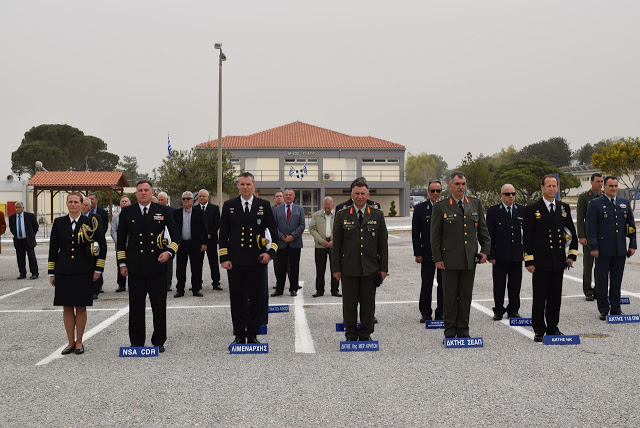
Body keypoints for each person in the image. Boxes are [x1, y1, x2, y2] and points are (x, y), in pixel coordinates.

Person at [117, 181, 180, 352]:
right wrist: (122, 263)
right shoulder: (127, 212)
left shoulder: (163, 210)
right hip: (135, 267)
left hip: (157, 266)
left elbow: (176, 236)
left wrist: (169, 253)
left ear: (152, 192)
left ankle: (158, 341)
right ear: (135, 193)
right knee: (136, 306)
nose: (143, 193)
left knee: (159, 306)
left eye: (146, 190)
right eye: (140, 190)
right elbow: (121, 240)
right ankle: (136, 341)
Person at [219, 172, 277, 348]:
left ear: (253, 186)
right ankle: (238, 334)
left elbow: (274, 233)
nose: (245, 187)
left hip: (257, 261)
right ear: (238, 186)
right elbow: (223, 234)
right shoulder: (229, 206)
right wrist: (224, 257)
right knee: (236, 299)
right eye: (242, 184)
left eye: (248, 184)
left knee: (256, 298)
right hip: (235, 262)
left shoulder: (264, 206)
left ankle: (252, 334)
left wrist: (270, 254)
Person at [431, 172, 491, 340]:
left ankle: (463, 330)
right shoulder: (441, 206)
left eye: (463, 184)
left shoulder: (474, 203)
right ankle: (450, 331)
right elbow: (435, 236)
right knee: (449, 298)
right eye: (457, 184)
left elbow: (483, 231)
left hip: (469, 260)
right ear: (450, 185)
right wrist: (437, 258)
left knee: (465, 297)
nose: (461, 187)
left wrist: (485, 250)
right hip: (448, 261)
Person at [48, 192, 106, 355]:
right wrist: (51, 272)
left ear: (82, 204)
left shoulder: (91, 222)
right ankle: (70, 342)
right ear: (66, 204)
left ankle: (79, 341)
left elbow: (101, 247)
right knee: (67, 306)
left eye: (76, 202)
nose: (73, 204)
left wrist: (98, 269)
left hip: (84, 270)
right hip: (63, 271)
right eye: (70, 202)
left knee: (81, 306)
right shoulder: (59, 223)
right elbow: (53, 248)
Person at [523, 174, 578, 342]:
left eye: (554, 186)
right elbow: (528, 237)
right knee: (540, 297)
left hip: (558, 260)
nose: (552, 189)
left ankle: (553, 327)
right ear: (542, 188)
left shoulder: (563, 208)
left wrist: (572, 255)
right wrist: (529, 260)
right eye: (549, 186)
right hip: (540, 261)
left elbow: (571, 233)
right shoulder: (532, 209)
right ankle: (539, 329)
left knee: (555, 296)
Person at [332, 179, 388, 342]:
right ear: (351, 194)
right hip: (348, 267)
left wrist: (383, 268)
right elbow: (337, 245)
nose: (360, 196)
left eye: (363, 193)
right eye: (356, 193)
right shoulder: (342, 214)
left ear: (368, 194)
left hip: (370, 267)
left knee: (368, 303)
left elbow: (383, 244)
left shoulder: (377, 214)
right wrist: (336, 268)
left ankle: (365, 334)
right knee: (349, 304)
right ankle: (350, 334)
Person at [586, 176, 637, 320]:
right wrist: (594, 247)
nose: (614, 188)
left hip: (620, 249)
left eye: (615, 186)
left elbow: (631, 226)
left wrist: (632, 244)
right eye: (610, 186)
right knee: (602, 280)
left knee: (616, 280)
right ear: (604, 187)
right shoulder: (595, 204)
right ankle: (603, 309)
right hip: (602, 249)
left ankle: (616, 308)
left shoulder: (624, 203)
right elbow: (591, 227)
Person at [486, 184, 524, 320]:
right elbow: (489, 234)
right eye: (507, 194)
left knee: (515, 284)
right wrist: (490, 254)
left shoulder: (521, 210)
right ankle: (499, 309)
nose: (511, 196)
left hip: (516, 255)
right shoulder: (493, 211)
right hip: (500, 255)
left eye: (513, 193)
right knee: (499, 284)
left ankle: (513, 310)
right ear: (501, 195)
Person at [412, 180, 443, 323]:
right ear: (428, 192)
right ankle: (425, 313)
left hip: (445, 254)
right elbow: (415, 233)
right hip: (427, 253)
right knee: (427, 284)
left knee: (444, 285)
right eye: (433, 191)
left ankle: (441, 312)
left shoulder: (447, 207)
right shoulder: (420, 209)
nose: (435, 193)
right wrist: (418, 253)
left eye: (438, 191)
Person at [173, 191, 208, 297]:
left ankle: (196, 289)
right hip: (181, 244)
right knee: (180, 268)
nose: (186, 201)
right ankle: (180, 290)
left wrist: (204, 243)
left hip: (195, 244)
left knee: (196, 268)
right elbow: (173, 229)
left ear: (193, 200)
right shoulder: (177, 213)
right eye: (184, 199)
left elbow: (204, 229)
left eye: (188, 199)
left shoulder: (199, 212)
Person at [271, 188, 305, 297]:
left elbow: (302, 225)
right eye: (286, 195)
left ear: (294, 197)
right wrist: (281, 236)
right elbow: (274, 226)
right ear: (284, 197)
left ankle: (293, 288)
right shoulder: (276, 210)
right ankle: (279, 289)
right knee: (280, 267)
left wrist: (292, 236)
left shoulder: (300, 209)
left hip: (295, 243)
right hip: (281, 243)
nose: (288, 196)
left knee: (294, 267)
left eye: (290, 195)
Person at [576, 173, 603, 301]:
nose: (600, 184)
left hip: (603, 237)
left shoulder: (604, 196)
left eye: (602, 181)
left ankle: (599, 289)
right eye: (597, 181)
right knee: (588, 264)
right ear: (591, 182)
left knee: (601, 265)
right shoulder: (584, 197)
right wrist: (581, 236)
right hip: (588, 236)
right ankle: (588, 290)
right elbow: (580, 218)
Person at [309, 197, 341, 297]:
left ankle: (335, 290)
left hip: (334, 246)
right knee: (320, 269)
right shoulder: (316, 215)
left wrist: (334, 241)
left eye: (329, 207)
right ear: (323, 205)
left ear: (333, 205)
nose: (327, 210)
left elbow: (341, 230)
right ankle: (319, 290)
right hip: (320, 246)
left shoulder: (338, 215)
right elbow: (312, 228)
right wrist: (321, 240)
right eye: (325, 207)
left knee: (335, 268)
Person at [196, 189, 222, 291]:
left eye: (203, 196)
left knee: (213, 262)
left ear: (208, 197)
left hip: (211, 240)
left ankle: (216, 283)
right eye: (200, 196)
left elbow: (217, 223)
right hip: (199, 240)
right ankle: (197, 282)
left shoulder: (214, 208)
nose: (201, 198)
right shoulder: (195, 209)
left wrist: (209, 234)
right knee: (198, 262)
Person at [9, 202, 39, 279]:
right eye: (16, 207)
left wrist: (31, 235)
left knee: (31, 257)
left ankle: (34, 273)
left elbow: (35, 226)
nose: (18, 209)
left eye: (19, 207)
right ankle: (22, 273)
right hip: (18, 240)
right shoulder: (12, 218)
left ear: (23, 208)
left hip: (28, 240)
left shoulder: (30, 216)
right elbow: (12, 229)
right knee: (20, 257)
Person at [88, 192, 109, 294]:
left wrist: (98, 238)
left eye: (92, 199)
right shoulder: (84, 214)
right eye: (89, 199)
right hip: (88, 242)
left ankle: (99, 286)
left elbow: (104, 227)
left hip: (99, 240)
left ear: (97, 200)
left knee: (98, 263)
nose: (91, 201)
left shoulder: (103, 213)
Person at [111, 196, 131, 292]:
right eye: (122, 201)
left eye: (126, 201)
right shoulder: (116, 216)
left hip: (132, 245)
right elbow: (113, 231)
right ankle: (121, 285)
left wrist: (129, 242)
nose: (124, 203)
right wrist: (120, 243)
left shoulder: (133, 214)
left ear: (130, 203)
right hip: (120, 246)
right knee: (120, 264)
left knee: (132, 265)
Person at [157, 191, 176, 291]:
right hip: (157, 242)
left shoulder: (173, 211)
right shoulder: (154, 210)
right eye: (159, 199)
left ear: (167, 200)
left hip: (169, 242)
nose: (160, 201)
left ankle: (168, 283)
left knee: (168, 264)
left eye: (162, 200)